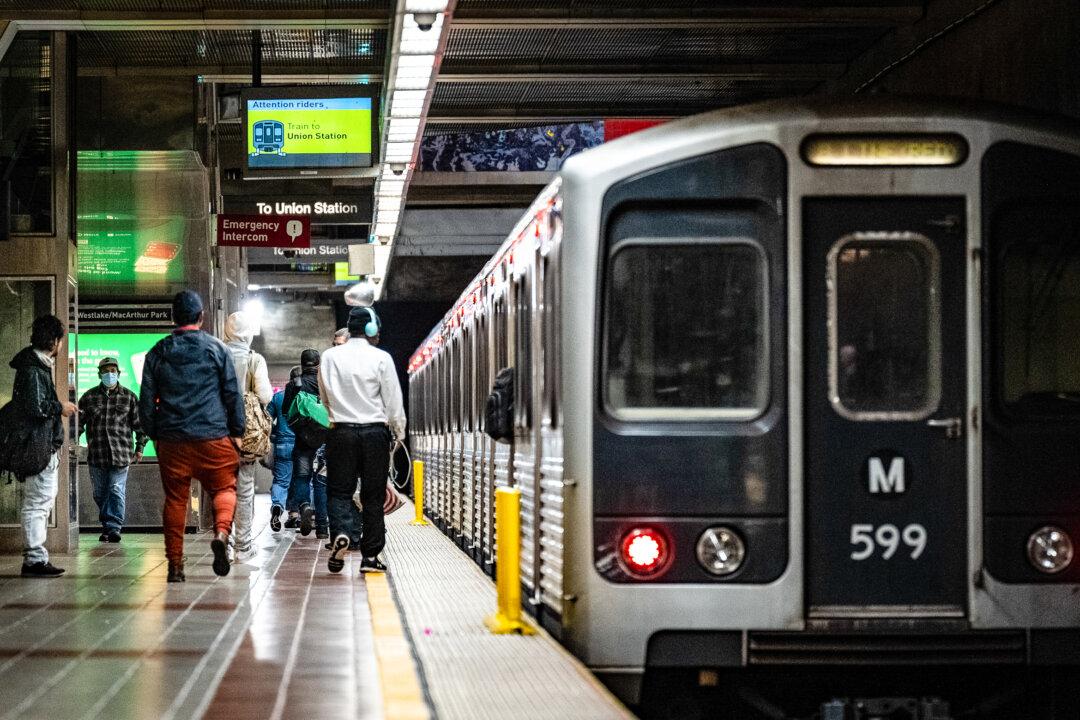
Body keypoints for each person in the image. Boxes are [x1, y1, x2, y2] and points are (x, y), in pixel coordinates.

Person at [140, 291, 245, 582]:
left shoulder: (158, 352)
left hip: (172, 439)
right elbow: (232, 394)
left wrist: (155, 434)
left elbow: (146, 400)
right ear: (202, 317)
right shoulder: (216, 349)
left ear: (173, 318)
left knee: (176, 500)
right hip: (213, 436)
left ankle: (175, 566)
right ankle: (222, 533)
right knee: (225, 490)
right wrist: (237, 431)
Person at [319, 306, 405, 574]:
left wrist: (335, 416)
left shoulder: (330, 357)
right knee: (373, 496)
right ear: (371, 329)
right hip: (374, 434)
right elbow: (392, 399)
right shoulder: (381, 358)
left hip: (341, 431)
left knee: (339, 491)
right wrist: (398, 430)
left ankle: (342, 533)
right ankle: (370, 557)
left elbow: (324, 395)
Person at [10, 315, 76, 577]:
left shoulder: (37, 365)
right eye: (61, 340)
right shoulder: (34, 369)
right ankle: (34, 559)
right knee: (38, 502)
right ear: (55, 341)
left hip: (41, 443)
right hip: (37, 444)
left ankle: (36, 556)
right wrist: (61, 407)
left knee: (42, 500)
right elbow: (35, 407)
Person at [77, 356, 148, 543]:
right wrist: (71, 442)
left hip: (121, 454)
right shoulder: (88, 397)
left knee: (116, 489)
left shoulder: (130, 397)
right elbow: (76, 424)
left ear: (118, 373)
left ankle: (113, 527)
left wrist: (140, 447)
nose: (110, 374)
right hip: (97, 454)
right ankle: (108, 526)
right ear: (99, 374)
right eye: (106, 371)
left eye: (113, 371)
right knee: (100, 493)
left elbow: (140, 426)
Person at [223, 311, 272, 562]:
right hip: (245, 434)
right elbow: (265, 396)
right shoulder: (254, 359)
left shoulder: (215, 355)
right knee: (244, 490)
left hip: (217, 434)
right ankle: (242, 546)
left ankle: (225, 542)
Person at [283, 349, 327, 538]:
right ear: (318, 364)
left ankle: (304, 506)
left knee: (302, 477)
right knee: (321, 481)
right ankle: (323, 528)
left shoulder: (294, 384)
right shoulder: (326, 382)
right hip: (325, 439)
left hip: (303, 440)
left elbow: (286, 412)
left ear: (302, 364)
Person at [266, 365, 300, 532]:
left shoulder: (278, 397)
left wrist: (274, 433)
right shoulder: (308, 396)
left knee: (281, 481)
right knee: (303, 480)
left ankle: (277, 506)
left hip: (282, 444)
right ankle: (301, 512)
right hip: (302, 445)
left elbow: (267, 419)